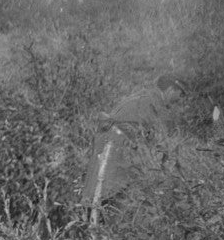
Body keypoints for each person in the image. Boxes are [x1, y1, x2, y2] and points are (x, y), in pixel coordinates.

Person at [79, 73, 186, 211]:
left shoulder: (148, 98)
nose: (180, 100)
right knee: (105, 194)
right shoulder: (150, 102)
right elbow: (153, 138)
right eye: (180, 95)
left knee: (111, 194)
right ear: (171, 90)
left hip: (118, 147)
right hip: (114, 147)